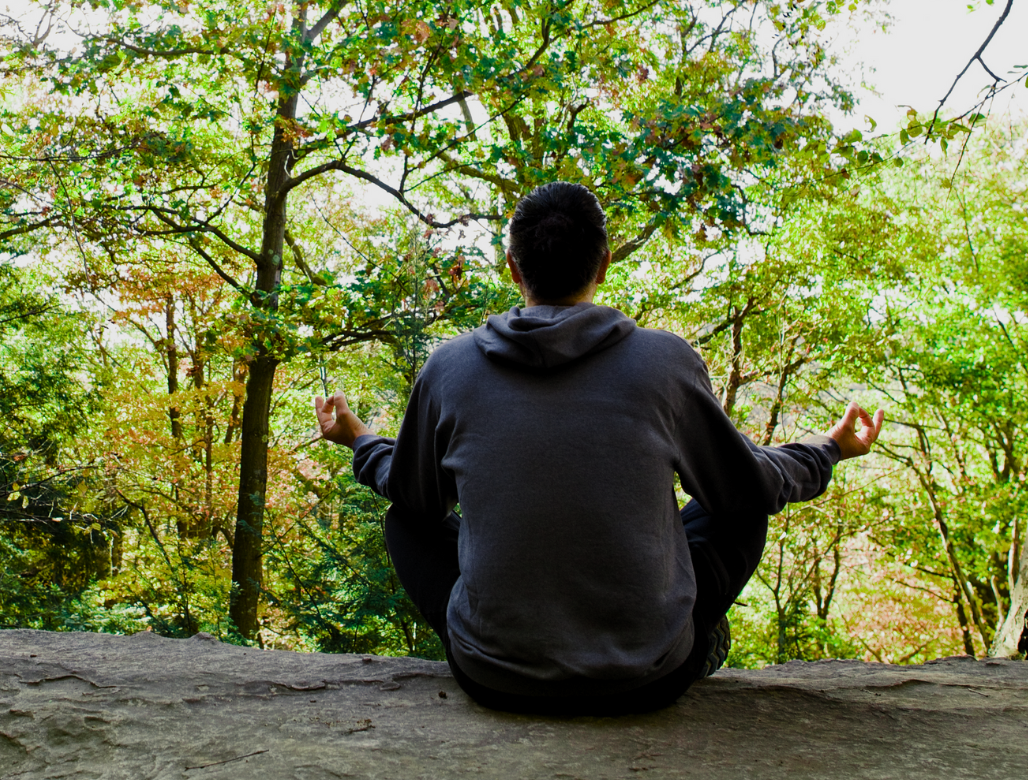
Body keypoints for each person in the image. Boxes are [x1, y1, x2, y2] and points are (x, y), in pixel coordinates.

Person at [314, 182, 882, 716]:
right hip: (647, 682)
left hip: (494, 681)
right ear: (605, 263)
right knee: (738, 504)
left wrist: (361, 440)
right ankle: (691, 641)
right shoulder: (665, 362)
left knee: (407, 521)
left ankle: (504, 644)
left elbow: (414, 495)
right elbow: (749, 486)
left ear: (512, 266)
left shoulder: (450, 368)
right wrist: (826, 448)